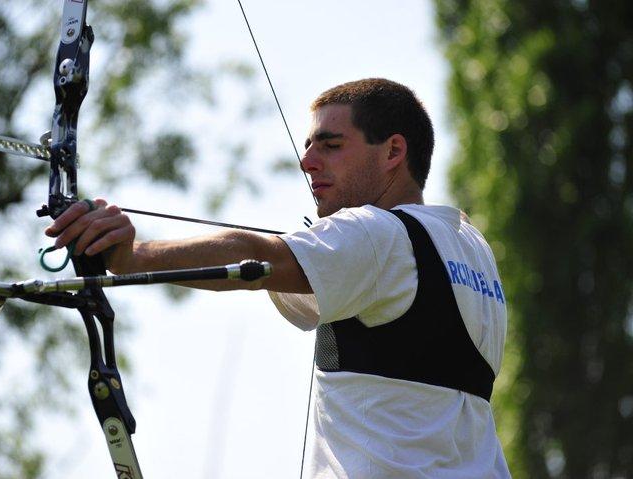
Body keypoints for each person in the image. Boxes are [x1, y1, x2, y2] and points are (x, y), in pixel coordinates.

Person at [46, 78, 511, 478]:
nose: (308, 162)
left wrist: (131, 257)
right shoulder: (470, 248)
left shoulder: (377, 234)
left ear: (393, 151)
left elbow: (254, 259)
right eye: (308, 147)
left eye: (331, 145)